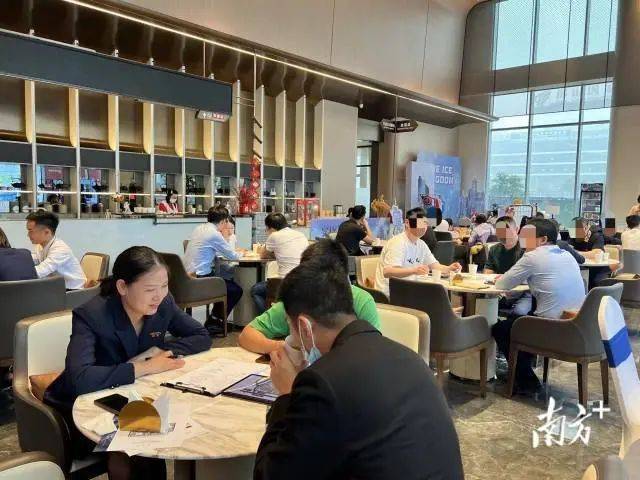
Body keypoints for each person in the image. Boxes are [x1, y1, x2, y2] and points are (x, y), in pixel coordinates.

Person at [254, 259, 464, 480]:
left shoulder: (322, 381)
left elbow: (269, 475)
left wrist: (287, 395)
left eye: (290, 326)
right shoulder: (410, 358)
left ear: (305, 327)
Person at [45, 246, 211, 479]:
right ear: (122, 287)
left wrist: (161, 351)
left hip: (131, 397)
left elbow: (201, 336)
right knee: (141, 444)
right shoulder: (92, 315)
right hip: (81, 408)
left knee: (171, 427)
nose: (159, 295)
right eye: (150, 289)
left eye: (164, 286)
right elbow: (80, 379)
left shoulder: (162, 304)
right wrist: (142, 367)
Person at [239, 239, 380, 354]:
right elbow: (247, 335)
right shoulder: (298, 298)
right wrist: (280, 348)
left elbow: (372, 352)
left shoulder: (361, 302)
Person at [493, 219, 585, 391]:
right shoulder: (567, 255)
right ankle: (522, 373)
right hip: (578, 327)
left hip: (552, 328)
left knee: (501, 328)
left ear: (543, 240)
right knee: (520, 321)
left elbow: (502, 284)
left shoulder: (532, 257)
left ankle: (526, 381)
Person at [375, 207, 461, 297]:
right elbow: (388, 271)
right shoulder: (398, 243)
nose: (423, 227)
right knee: (435, 297)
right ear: (407, 223)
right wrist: (414, 270)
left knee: (438, 293)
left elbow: (434, 265)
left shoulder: (421, 244)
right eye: (419, 222)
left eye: (426, 223)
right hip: (390, 294)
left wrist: (449, 268)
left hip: (409, 291)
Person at [183, 206, 243, 327]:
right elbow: (233, 256)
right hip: (199, 279)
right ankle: (215, 321)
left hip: (186, 276)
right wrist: (243, 253)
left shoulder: (199, 228)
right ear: (224, 221)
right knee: (234, 290)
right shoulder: (214, 234)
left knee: (224, 283)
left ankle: (215, 319)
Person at [251, 213, 308, 314]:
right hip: (303, 281)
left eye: (266, 229)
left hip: (284, 282)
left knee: (256, 290)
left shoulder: (274, 236)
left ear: (271, 228)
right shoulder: (301, 235)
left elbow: (263, 255)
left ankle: (269, 318)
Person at [484, 216, 532, 318]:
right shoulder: (494, 249)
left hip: (523, 293)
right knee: (483, 306)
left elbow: (529, 277)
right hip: (500, 291)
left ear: (517, 229)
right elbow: (488, 272)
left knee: (519, 312)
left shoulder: (528, 249)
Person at [26, 210, 86, 290]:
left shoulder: (60, 249)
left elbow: (39, 272)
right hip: (57, 288)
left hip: (73, 291)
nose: (28, 235)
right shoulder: (39, 246)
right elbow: (29, 262)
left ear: (46, 232)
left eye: (31, 231)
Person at [570, 217, 610, 288]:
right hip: (580, 267)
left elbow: (597, 253)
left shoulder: (596, 235)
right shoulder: (573, 236)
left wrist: (576, 253)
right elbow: (569, 248)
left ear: (586, 228)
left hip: (597, 270)